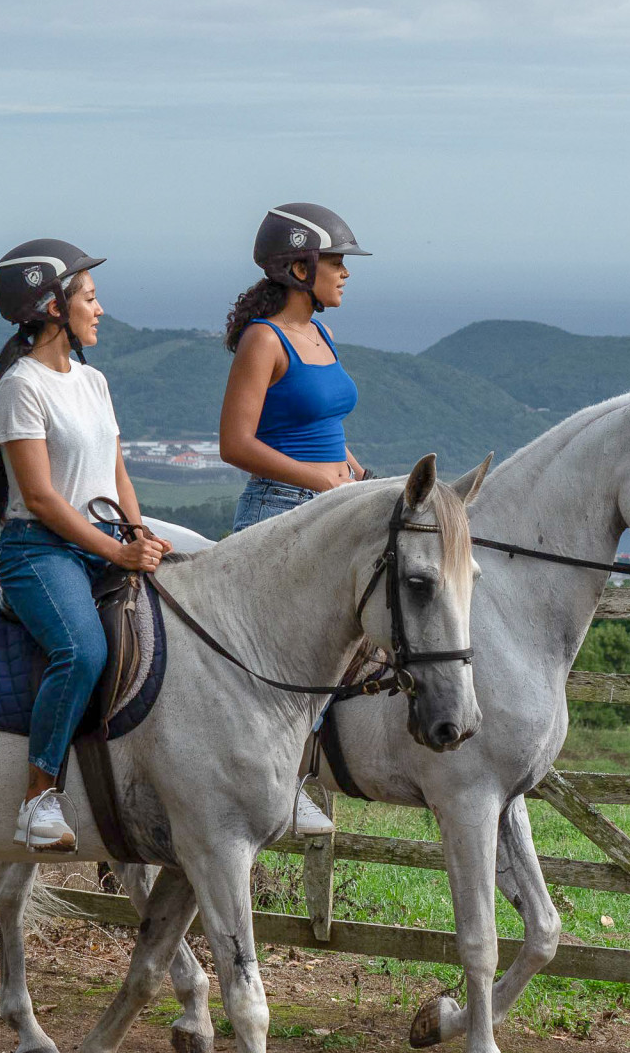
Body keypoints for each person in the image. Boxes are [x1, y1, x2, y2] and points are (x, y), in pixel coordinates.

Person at [0, 238, 170, 851]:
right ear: (54, 307)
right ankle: (38, 799)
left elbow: (118, 474)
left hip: (103, 537)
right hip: (40, 549)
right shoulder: (21, 386)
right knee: (81, 651)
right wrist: (117, 554)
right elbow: (44, 499)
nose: (100, 308)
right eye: (89, 296)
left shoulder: (93, 381)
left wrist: (138, 534)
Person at [217, 202, 370, 835]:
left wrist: (351, 466)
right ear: (300, 266)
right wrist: (318, 477)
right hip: (279, 512)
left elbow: (320, 426)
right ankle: (278, 782)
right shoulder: (264, 339)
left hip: (331, 504)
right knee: (288, 663)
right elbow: (235, 443)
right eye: (336, 261)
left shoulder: (320, 333)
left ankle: (302, 771)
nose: (345, 273)